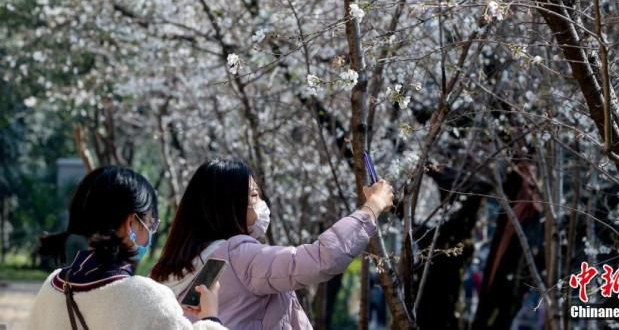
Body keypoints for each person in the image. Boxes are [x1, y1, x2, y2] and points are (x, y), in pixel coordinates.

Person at [151, 158, 394, 329]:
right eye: (253, 195)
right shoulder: (240, 256)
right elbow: (322, 259)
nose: (260, 203)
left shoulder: (170, 267)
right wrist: (372, 207)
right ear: (228, 206)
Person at [27, 166, 226, 330]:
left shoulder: (52, 287)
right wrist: (210, 316)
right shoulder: (148, 297)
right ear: (131, 223)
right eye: (150, 223)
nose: (151, 232)